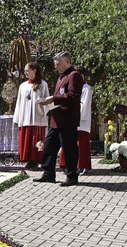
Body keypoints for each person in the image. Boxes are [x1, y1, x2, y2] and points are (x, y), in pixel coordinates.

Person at [34, 52, 84, 186]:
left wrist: (53, 99)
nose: (57, 67)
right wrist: (49, 102)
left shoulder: (74, 75)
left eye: (59, 64)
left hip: (67, 119)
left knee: (69, 149)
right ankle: (48, 174)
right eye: (55, 64)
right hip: (56, 119)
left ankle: (72, 176)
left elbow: (73, 95)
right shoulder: (61, 77)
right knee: (49, 147)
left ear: (67, 61)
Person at [13, 62, 50, 169]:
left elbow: (47, 100)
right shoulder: (22, 86)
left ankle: (36, 159)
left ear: (34, 71)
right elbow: (19, 102)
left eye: (27, 70)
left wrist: (43, 107)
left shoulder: (43, 84)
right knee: (27, 139)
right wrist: (17, 117)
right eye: (25, 70)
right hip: (25, 117)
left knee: (37, 139)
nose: (25, 72)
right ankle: (28, 159)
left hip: (38, 117)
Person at [58, 66, 92, 175]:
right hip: (70, 119)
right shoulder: (72, 87)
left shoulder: (86, 88)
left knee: (80, 144)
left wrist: (77, 116)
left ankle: (81, 165)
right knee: (69, 143)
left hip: (81, 121)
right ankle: (66, 165)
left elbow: (84, 105)